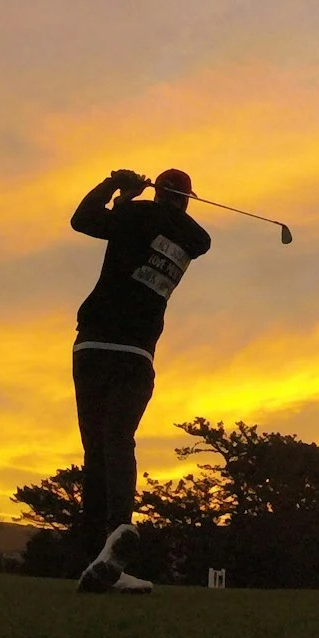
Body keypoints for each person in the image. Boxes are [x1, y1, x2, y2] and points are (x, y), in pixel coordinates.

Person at [68, 168, 211, 593]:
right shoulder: (193, 239)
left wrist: (117, 186)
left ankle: (97, 553)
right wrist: (133, 201)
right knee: (119, 441)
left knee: (96, 450)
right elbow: (171, 232)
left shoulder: (133, 217)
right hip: (136, 353)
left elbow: (82, 219)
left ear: (158, 193)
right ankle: (114, 540)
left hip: (92, 344)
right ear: (186, 200)